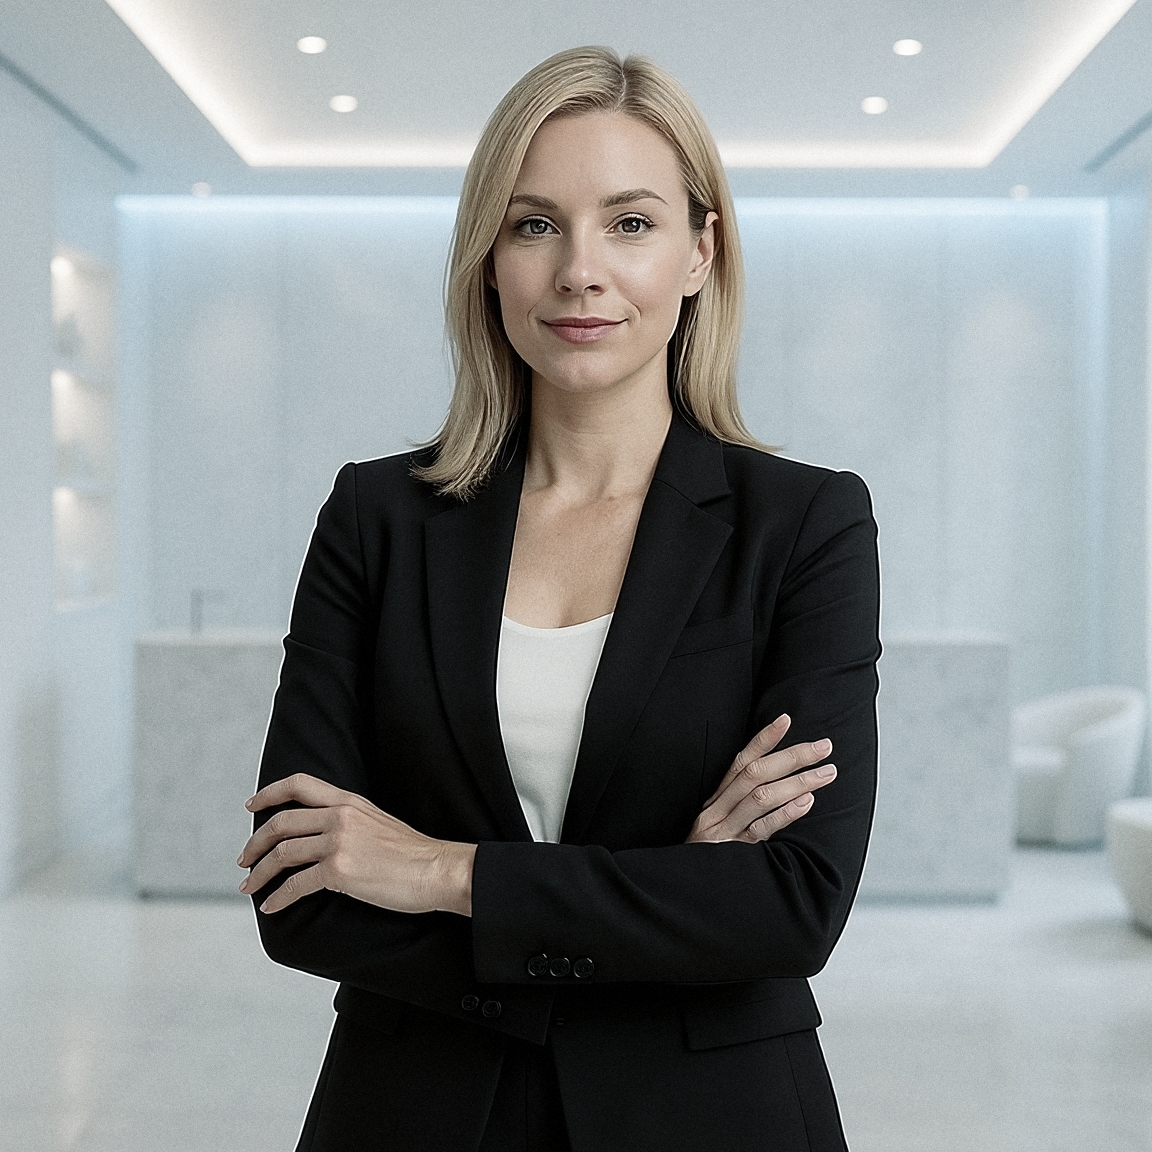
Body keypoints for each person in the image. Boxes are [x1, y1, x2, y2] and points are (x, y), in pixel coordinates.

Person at [237, 45, 880, 1152]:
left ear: (699, 253)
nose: (581, 271)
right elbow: (301, 889)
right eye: (535, 224)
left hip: (710, 1116)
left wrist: (441, 872)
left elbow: (792, 903)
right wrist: (669, 895)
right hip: (418, 1111)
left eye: (629, 223)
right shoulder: (377, 518)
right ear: (489, 258)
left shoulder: (806, 526)